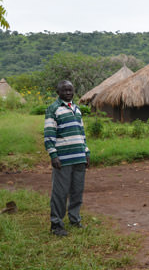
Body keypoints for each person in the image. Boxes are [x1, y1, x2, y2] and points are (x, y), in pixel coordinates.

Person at [44, 80, 90, 236]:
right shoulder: (53, 109)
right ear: (58, 92)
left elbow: (81, 134)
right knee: (60, 192)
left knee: (77, 191)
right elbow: (49, 134)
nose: (68, 93)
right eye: (65, 90)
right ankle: (56, 225)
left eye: (70, 90)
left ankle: (75, 219)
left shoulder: (77, 109)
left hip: (79, 158)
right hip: (63, 159)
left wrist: (86, 152)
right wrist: (53, 155)